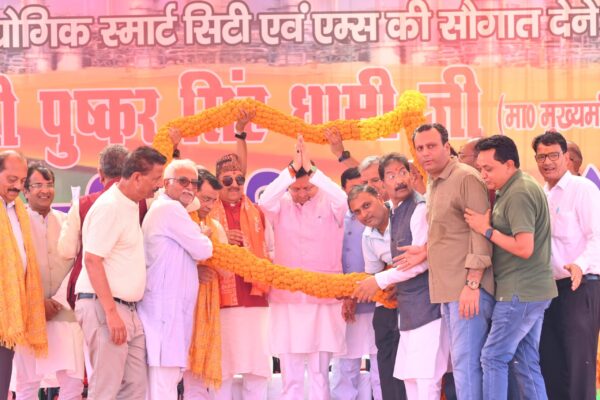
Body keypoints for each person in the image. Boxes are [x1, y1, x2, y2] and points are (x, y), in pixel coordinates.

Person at [464, 135, 557, 399]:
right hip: (531, 290)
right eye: (480, 168)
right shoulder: (515, 187)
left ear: (509, 164)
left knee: (493, 357)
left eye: (488, 168)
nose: (483, 174)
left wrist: (486, 230)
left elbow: (524, 248)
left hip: (520, 291)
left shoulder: (519, 192)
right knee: (525, 360)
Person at [353, 153, 449, 400]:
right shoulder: (395, 212)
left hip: (428, 308)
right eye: (391, 176)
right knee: (410, 380)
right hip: (407, 311)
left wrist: (378, 280)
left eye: (403, 172)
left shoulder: (419, 208)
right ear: (382, 185)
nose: (399, 180)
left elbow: (420, 262)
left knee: (426, 382)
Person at [74, 146, 166, 400]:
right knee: (106, 389)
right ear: (137, 177)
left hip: (127, 310)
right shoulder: (110, 206)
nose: (159, 185)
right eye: (156, 178)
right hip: (106, 307)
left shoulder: (129, 203)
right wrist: (111, 312)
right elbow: (92, 260)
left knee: (135, 388)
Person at [258, 135, 347, 400]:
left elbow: (342, 197)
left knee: (320, 373)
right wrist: (291, 169)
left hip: (322, 297)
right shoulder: (280, 205)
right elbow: (264, 201)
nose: (302, 194)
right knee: (291, 373)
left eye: (308, 188)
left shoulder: (331, 204)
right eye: (296, 190)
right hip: (288, 299)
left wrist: (311, 169)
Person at [412, 123, 494, 400]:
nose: (425, 153)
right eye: (420, 148)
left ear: (447, 147)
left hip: (467, 289)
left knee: (466, 365)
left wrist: (473, 283)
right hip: (447, 290)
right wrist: (424, 251)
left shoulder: (465, 177)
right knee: (460, 365)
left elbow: (480, 232)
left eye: (432, 146)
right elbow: (448, 232)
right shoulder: (434, 181)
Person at [532, 131, 600, 400]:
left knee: (578, 366)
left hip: (579, 286)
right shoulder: (541, 195)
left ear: (566, 156)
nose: (547, 162)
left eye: (553, 155)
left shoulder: (582, 189)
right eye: (541, 157)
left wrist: (579, 265)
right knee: (550, 363)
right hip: (548, 290)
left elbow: (597, 236)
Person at [137, 159, 213, 399]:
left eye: (194, 183)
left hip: (167, 313)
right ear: (165, 183)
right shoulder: (170, 209)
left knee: (164, 384)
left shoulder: (168, 208)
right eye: (182, 181)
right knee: (164, 386)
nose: (189, 187)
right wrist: (203, 234)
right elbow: (203, 249)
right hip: (165, 315)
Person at [11, 163, 84, 400]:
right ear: (25, 190)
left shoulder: (67, 221)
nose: (45, 190)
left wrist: (58, 300)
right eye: (38, 185)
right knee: (27, 384)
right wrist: (37, 303)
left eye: (49, 184)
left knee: (72, 383)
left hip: (65, 311)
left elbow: (78, 263)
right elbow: (11, 270)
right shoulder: (15, 225)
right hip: (29, 314)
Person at [207, 150, 271, 398]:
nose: (234, 185)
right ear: (217, 182)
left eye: (239, 179)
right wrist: (220, 237)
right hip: (220, 302)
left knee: (257, 370)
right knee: (222, 370)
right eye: (227, 180)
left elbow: (271, 250)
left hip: (255, 299)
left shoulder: (258, 213)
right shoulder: (206, 214)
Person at [330, 167, 382, 400]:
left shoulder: (380, 215)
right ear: (343, 190)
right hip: (346, 301)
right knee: (346, 364)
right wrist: (347, 295)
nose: (357, 195)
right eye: (352, 189)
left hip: (379, 299)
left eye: (363, 187)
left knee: (381, 363)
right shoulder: (336, 218)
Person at [0, 151, 47, 399]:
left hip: (8, 316)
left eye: (21, 180)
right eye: (11, 179)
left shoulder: (17, 209)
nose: (18, 186)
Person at [58, 144, 129, 309]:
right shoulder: (143, 202)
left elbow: (66, 251)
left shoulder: (83, 204)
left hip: (90, 294)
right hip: (129, 294)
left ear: (100, 173)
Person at [183, 168, 230, 399]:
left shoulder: (216, 227)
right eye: (205, 199)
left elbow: (226, 271)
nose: (209, 205)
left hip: (206, 308)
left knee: (198, 378)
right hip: (180, 306)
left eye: (213, 200)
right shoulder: (180, 220)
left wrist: (208, 245)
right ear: (192, 192)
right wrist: (195, 269)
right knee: (170, 375)